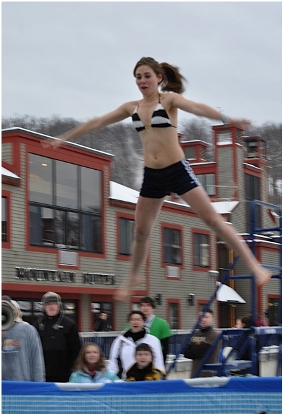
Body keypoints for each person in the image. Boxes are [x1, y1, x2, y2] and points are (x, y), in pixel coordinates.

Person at [42, 56, 271, 301]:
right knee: (140, 231)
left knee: (214, 221)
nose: (142, 80)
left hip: (177, 170)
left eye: (146, 76)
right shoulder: (132, 107)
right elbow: (97, 121)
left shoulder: (168, 100)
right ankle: (135, 276)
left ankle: (255, 266)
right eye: (138, 77)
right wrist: (65, 137)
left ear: (158, 78)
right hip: (153, 176)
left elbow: (197, 108)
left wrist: (228, 119)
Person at [33, 291, 81, 382]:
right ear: (44, 307)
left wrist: (73, 369)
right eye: (48, 304)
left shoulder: (69, 324)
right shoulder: (37, 325)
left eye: (54, 303)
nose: (51, 306)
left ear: (59, 305)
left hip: (64, 373)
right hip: (42, 373)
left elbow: (76, 349)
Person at [108, 310, 165, 379]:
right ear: (129, 322)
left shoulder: (153, 340)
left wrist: (159, 378)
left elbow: (158, 362)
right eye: (132, 319)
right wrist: (112, 379)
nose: (135, 322)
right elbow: (113, 362)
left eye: (138, 319)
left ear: (143, 322)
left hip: (148, 381)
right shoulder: (120, 341)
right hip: (127, 380)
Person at [2, 296, 45, 381]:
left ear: (13, 312)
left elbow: (37, 362)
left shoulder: (28, 330)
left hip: (23, 386)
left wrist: (38, 387)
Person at [184, 309, 220, 378]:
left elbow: (203, 351)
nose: (203, 319)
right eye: (201, 317)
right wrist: (198, 347)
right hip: (194, 375)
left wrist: (193, 347)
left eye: (206, 317)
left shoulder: (214, 335)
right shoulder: (196, 334)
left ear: (212, 319)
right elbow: (186, 353)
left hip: (208, 376)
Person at [139, 296, 172, 362]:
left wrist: (162, 364)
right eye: (143, 305)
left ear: (153, 308)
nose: (145, 308)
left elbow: (165, 346)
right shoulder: (133, 323)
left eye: (148, 305)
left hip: (156, 358)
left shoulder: (162, 323)